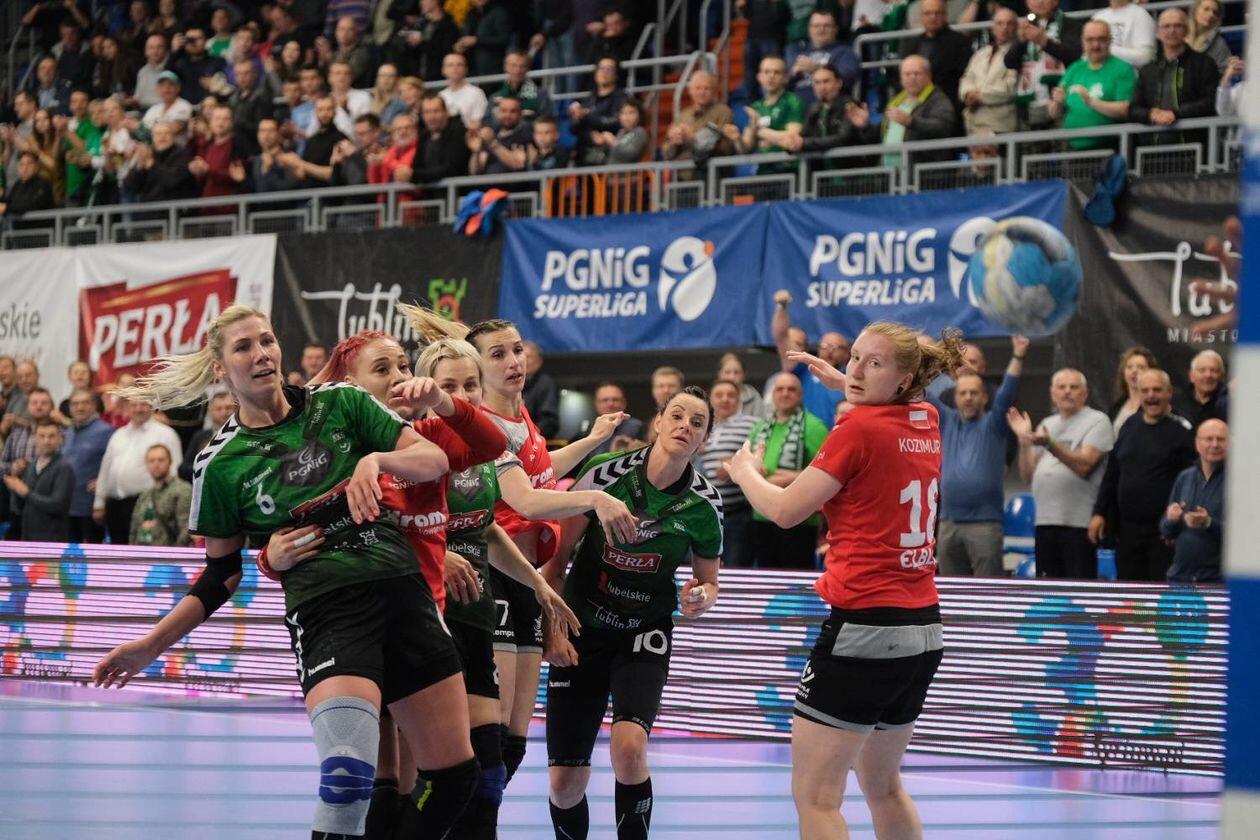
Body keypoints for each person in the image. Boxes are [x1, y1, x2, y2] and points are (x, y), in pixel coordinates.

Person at [93, 306, 480, 840]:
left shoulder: (342, 402)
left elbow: (433, 459)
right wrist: (150, 646)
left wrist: (375, 461)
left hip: (404, 594)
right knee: (347, 782)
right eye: (244, 347)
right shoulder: (219, 463)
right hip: (329, 614)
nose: (261, 355)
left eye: (267, 340)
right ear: (220, 368)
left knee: (455, 779)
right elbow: (219, 576)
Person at [725, 322, 964, 840]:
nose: (854, 370)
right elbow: (895, 405)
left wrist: (744, 471)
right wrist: (850, 383)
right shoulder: (926, 419)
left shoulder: (855, 431)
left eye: (872, 364)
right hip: (923, 629)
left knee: (817, 797)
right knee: (883, 786)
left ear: (903, 379)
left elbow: (785, 511)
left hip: (863, 629)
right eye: (854, 357)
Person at [399, 307, 640, 790]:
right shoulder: (482, 428)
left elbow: (539, 469)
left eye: (517, 349)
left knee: (511, 745)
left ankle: (458, 811)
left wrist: (591, 441)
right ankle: (433, 809)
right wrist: (595, 498)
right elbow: (525, 499)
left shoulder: (519, 415)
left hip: (525, 575)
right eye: (498, 355)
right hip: (491, 575)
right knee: (484, 742)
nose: (514, 361)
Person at [543, 386, 723, 840]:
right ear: (657, 422)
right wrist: (553, 631)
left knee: (629, 750)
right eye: (676, 415)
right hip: (581, 627)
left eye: (697, 422)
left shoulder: (705, 505)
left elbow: (708, 582)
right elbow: (556, 562)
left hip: (644, 632)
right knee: (564, 786)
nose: (685, 426)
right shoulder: (605, 473)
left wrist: (701, 597)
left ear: (704, 439)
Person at [930, 335, 1027, 577]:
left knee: (988, 591)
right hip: (948, 523)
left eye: (974, 393)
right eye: (963, 393)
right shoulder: (946, 420)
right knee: (951, 592)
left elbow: (1007, 391)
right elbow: (921, 391)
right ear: (955, 397)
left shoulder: (995, 424)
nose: (968, 397)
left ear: (984, 397)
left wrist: (1018, 354)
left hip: (985, 524)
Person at [1089, 369, 1196, 582]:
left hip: (1165, 535)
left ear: (1169, 392)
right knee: (1130, 595)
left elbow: (1191, 482)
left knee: (1160, 594)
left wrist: (1177, 525)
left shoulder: (1183, 431)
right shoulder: (1128, 426)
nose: (1151, 396)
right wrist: (1099, 512)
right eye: (1145, 390)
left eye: (1157, 390)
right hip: (1127, 533)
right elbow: (1112, 473)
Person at [1008, 369, 1113, 579]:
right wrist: (1024, 441)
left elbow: (1085, 465)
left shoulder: (1098, 420)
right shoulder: (1047, 424)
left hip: (1079, 524)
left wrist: (1050, 444)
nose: (1067, 391)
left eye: (1073, 387)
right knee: (1047, 588)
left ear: (1085, 393)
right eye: (1061, 387)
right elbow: (1028, 475)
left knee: (1078, 588)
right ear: (1052, 393)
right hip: (1045, 522)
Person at [747, 372, 830, 569]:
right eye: (780, 389)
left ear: (801, 395)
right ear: (773, 394)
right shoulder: (760, 427)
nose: (785, 394)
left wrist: (792, 478)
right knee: (765, 578)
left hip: (799, 520)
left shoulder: (815, 426)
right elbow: (747, 461)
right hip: (762, 515)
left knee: (794, 579)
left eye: (791, 389)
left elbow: (827, 472)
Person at [92, 397, 182, 546]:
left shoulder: (166, 434)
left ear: (152, 407)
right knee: (117, 552)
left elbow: (174, 471)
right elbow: (105, 470)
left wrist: (167, 504)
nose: (138, 409)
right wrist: (99, 503)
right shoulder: (118, 434)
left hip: (150, 504)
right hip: (115, 505)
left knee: (143, 549)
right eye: (134, 405)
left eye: (143, 404)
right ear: (127, 408)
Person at [1128, 8, 1219, 145]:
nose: (1172, 30)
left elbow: (1210, 102)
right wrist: (1151, 114)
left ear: (1187, 30)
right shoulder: (1147, 70)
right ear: (1158, 33)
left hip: (1194, 145)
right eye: (1166, 26)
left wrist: (1176, 114)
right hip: (1151, 150)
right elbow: (1134, 109)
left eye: (1178, 26)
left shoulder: (1204, 63)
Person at [699, 379, 760, 569]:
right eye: (719, 395)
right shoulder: (701, 426)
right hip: (705, 514)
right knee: (705, 569)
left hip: (737, 513)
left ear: (739, 399)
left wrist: (735, 464)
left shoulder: (753, 424)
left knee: (736, 569)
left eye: (731, 395)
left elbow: (762, 457)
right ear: (710, 400)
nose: (725, 399)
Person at [1049, 21, 1135, 151]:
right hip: (1071, 147)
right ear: (1082, 41)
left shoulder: (1123, 69)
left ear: (1110, 40)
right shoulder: (1074, 69)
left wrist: (1091, 102)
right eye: (1090, 40)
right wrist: (1057, 103)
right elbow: (1053, 114)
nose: (1096, 45)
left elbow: (1125, 109)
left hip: (1107, 147)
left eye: (1101, 39)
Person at [1161, 418, 1227, 583]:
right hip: (1180, 578)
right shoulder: (1185, 477)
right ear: (1197, 443)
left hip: (1218, 582)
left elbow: (1247, 538)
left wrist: (1209, 523)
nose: (1214, 444)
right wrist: (1171, 520)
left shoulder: (1242, 482)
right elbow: (1166, 531)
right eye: (1209, 439)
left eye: (1220, 439)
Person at [771, 289, 849, 426]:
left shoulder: (852, 376)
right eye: (824, 346)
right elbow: (782, 337)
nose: (829, 351)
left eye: (836, 347)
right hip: (805, 434)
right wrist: (782, 306)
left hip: (840, 434)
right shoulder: (805, 370)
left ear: (847, 353)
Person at [1004, 0, 1084, 131]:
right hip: (1028, 105)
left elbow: (1075, 57)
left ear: (1055, 1)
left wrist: (1045, 42)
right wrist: (1021, 42)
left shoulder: (1070, 25)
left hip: (1060, 101)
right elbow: (1009, 62)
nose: (1040, 1)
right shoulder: (1025, 26)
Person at [880, 55, 959, 166]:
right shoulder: (896, 101)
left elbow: (943, 126)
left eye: (917, 73)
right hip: (890, 170)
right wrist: (865, 126)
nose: (912, 78)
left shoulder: (938, 100)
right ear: (901, 78)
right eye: (907, 74)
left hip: (920, 171)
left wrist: (912, 122)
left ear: (928, 76)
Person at [3, 420, 75, 542]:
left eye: (51, 436)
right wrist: (15, 487)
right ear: (35, 439)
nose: (46, 441)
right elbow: (22, 505)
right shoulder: (32, 465)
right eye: (42, 436)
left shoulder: (64, 467)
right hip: (28, 536)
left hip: (53, 539)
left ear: (60, 439)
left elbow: (57, 505)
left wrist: (26, 493)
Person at [0, 387, 55, 540]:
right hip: (17, 508)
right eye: (34, 403)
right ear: (28, 406)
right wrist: (12, 467)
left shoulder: (61, 434)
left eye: (44, 403)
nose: (39, 406)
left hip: (49, 509)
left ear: (52, 406)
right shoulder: (16, 434)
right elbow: (2, 465)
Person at [63, 387, 116, 543]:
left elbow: (116, 464)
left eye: (85, 403)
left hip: (91, 507)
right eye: (75, 404)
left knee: (91, 554)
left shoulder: (106, 431)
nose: (80, 407)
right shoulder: (67, 432)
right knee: (69, 553)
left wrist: (103, 483)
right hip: (67, 507)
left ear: (94, 406)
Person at [898, 0, 972, 109]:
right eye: (928, 13)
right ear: (921, 17)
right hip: (914, 104)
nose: (933, 17)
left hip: (947, 104)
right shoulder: (911, 44)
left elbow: (965, 76)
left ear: (945, 15)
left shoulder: (959, 42)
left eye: (937, 13)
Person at [733, 56, 804, 169]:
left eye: (777, 72)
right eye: (766, 72)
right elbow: (745, 148)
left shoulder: (792, 101)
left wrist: (758, 131)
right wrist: (737, 138)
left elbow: (792, 137)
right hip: (763, 171)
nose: (771, 76)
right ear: (759, 77)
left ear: (785, 78)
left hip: (787, 168)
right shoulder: (756, 107)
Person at [959, 8, 1020, 135]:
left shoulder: (1019, 53)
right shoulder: (981, 53)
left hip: (1000, 124)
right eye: (1000, 23)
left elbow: (1010, 87)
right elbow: (967, 77)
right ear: (993, 28)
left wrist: (978, 96)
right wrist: (968, 93)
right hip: (972, 122)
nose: (1004, 27)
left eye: (1009, 23)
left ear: (1016, 27)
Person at [662, 71, 735, 165]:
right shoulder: (683, 116)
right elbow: (666, 153)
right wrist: (674, 142)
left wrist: (692, 138)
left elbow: (727, 148)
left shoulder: (723, 112)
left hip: (710, 169)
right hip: (683, 170)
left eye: (706, 88)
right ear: (690, 91)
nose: (702, 92)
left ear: (714, 91)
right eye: (697, 88)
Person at [788, 10, 860, 104]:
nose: (821, 30)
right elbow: (781, 82)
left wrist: (816, 69)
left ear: (835, 29)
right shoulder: (797, 51)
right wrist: (792, 75)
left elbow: (847, 79)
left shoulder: (845, 52)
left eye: (827, 26)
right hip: (795, 106)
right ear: (809, 29)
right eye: (816, 26)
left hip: (831, 107)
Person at [128, 444, 192, 546]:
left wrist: (174, 553)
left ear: (170, 462)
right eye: (151, 461)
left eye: (161, 460)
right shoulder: (145, 495)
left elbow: (186, 528)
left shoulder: (182, 490)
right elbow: (134, 530)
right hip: (141, 552)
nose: (156, 464)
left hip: (167, 553)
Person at [406, 94, 472, 185]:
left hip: (458, 191)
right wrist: (410, 175)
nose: (431, 117)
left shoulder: (458, 132)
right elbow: (416, 167)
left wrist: (415, 175)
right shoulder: (423, 137)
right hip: (430, 192)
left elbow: (452, 169)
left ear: (446, 112)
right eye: (427, 112)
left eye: (436, 111)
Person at [179, 390, 236, 483]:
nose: (224, 412)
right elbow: (183, 469)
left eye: (228, 408)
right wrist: (206, 466)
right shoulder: (200, 436)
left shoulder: (244, 434)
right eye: (219, 408)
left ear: (236, 409)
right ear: (210, 411)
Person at [576, 383, 645, 460]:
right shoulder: (587, 429)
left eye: (615, 400)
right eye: (605, 400)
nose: (610, 404)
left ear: (624, 403)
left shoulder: (637, 427)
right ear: (597, 404)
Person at [490, 49, 553, 124]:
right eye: (513, 65)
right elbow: (488, 122)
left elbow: (547, 122)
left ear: (528, 69)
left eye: (522, 66)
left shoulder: (541, 95)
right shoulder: (495, 97)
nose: (517, 70)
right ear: (506, 67)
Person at [1108, 345, 1158, 436]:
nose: (1134, 371)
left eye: (1141, 367)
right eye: (1129, 367)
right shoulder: (1117, 406)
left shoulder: (1156, 405)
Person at [1172, 350, 1228, 429]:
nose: (1208, 375)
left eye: (1214, 370)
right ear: (1191, 376)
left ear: (1222, 376)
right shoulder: (1176, 402)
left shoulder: (1229, 405)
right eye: (1202, 370)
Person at [1092, 0, 1156, 69]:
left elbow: (1146, 57)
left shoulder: (1140, 15)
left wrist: (1107, 50)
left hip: (1128, 73)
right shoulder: (1098, 16)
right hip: (1098, 72)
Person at [522, 340, 560, 440]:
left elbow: (549, 421)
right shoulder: (509, 382)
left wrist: (527, 435)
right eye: (522, 356)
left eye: (529, 357)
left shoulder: (546, 383)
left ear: (538, 361)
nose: (525, 361)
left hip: (536, 440)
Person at [1187, 0, 1231, 72]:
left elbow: (1223, 71)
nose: (1211, 15)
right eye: (1206, 9)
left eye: (1215, 13)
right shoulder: (1178, 32)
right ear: (1195, 10)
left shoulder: (1220, 44)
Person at [717, 353, 764, 419]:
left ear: (743, 375)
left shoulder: (754, 397)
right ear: (720, 374)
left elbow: (762, 422)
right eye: (727, 372)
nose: (732, 377)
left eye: (736, 372)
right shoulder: (712, 397)